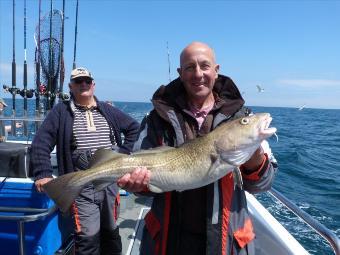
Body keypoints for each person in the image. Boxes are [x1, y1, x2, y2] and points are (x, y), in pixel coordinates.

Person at [117, 42, 278, 255]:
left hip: (224, 242)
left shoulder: (240, 116)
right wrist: (138, 185)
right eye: (190, 67)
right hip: (169, 241)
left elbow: (261, 185)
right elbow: (145, 180)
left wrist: (254, 154)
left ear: (216, 70)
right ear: (180, 73)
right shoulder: (157, 117)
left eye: (205, 66)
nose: (198, 73)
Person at [30, 67, 140, 255]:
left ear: (93, 85)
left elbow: (134, 128)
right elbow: (41, 141)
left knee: (111, 230)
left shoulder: (107, 110)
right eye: (78, 81)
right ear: (70, 86)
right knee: (87, 236)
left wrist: (123, 152)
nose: (83, 84)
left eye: (87, 81)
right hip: (81, 185)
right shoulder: (60, 112)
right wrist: (43, 173)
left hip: (109, 181)